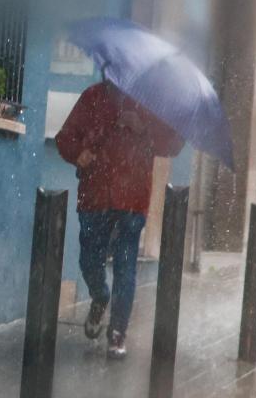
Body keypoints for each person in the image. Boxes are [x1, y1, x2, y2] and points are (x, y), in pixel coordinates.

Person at [55, 80, 184, 359]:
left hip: (133, 197)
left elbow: (173, 144)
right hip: (95, 194)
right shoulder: (93, 96)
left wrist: (144, 128)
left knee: (126, 266)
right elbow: (64, 138)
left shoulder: (152, 101)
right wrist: (80, 154)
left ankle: (117, 332)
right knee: (89, 260)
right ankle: (100, 296)